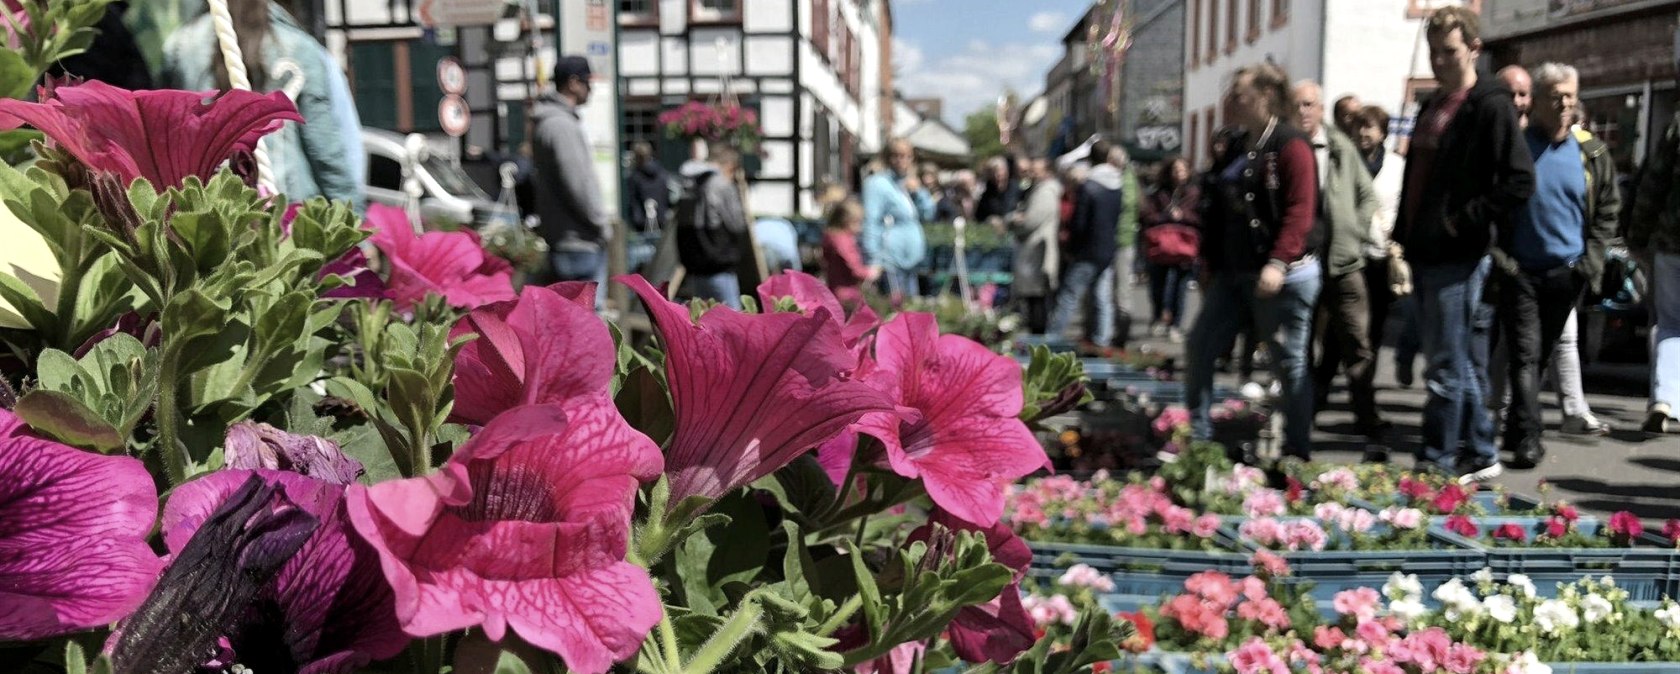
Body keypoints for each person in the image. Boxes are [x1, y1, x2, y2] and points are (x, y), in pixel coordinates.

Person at [1392, 7, 1534, 482]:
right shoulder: (1433, 104)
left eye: (1449, 51)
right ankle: (1479, 449)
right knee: (1452, 360)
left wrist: (1461, 224)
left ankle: (1437, 461)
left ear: (1473, 48)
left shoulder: (1489, 103)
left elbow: (1517, 181)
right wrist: (1400, 234)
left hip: (1458, 253)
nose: (1439, 60)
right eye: (1433, 52)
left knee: (1446, 365)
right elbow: (1417, 177)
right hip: (1426, 250)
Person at [1184, 63, 1323, 461]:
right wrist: (1209, 262)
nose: (1231, 101)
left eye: (1239, 93)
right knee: (1200, 346)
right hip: (1233, 272)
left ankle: (1297, 451)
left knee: (1288, 363)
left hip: (1282, 275)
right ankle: (1199, 437)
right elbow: (1215, 206)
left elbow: (1300, 210)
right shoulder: (1236, 143)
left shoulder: (1291, 144)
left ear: (1264, 96)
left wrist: (1278, 262)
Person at [1484, 63, 1619, 469]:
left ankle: (1514, 425)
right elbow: (1492, 206)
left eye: (1570, 96)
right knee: (1525, 354)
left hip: (1568, 273)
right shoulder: (1516, 148)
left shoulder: (1591, 153)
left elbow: (1608, 209)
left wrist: (1589, 262)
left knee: (1540, 355)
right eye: (1555, 96)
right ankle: (1528, 437)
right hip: (1520, 271)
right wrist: (1503, 262)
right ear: (1537, 101)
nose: (1564, 104)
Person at [162, 0, 364, 210]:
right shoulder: (299, 48)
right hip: (286, 208)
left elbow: (170, 133)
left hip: (211, 209)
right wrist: (354, 217)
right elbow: (324, 149)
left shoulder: (181, 46)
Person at [1297, 81, 1386, 441]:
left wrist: (1355, 229)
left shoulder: (1340, 147)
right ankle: (1300, 414)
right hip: (1300, 262)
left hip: (1343, 261)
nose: (1303, 111)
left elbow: (1367, 195)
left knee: (1357, 343)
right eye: (1297, 105)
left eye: (1309, 105)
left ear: (1320, 109)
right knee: (1300, 343)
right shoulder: (1286, 145)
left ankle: (1367, 418)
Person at [532, 56, 612, 292]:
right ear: (573, 83)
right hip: (579, 240)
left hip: (564, 237)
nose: (591, 88)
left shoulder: (547, 122)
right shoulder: (562, 126)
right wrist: (600, 223)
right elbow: (577, 182)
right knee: (586, 321)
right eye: (588, 81)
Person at [1633, 62, 1680, 434]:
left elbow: (1654, 182)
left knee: (1670, 324)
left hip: (1670, 242)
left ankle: (1664, 398)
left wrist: (1637, 235)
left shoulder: (1678, 124)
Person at [1356, 106, 1416, 390]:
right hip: (1353, 254)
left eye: (1369, 127)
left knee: (1376, 324)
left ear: (1382, 133)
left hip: (1383, 253)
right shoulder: (1349, 163)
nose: (1363, 132)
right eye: (1360, 126)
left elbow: (1405, 203)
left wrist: (1399, 232)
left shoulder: (1396, 166)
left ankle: (1365, 382)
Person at [1049, 141, 1128, 352]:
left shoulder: (1089, 185)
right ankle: (1102, 340)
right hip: (1107, 247)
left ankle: (1052, 339)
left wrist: (1071, 247)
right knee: (1102, 297)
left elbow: (1080, 222)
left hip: (1087, 249)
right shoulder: (1118, 184)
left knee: (1069, 295)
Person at [675, 143, 748, 308]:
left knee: (701, 320)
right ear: (730, 166)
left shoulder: (691, 181)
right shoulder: (721, 185)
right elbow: (737, 224)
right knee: (732, 320)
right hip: (719, 265)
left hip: (694, 267)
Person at [861, 138, 935, 302]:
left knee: (911, 310)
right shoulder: (877, 184)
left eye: (906, 156)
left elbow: (928, 214)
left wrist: (919, 193)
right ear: (887, 158)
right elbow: (871, 221)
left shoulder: (910, 183)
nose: (901, 160)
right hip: (889, 260)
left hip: (912, 259)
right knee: (894, 308)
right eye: (896, 155)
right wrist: (873, 258)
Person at [1140, 156, 1200, 341]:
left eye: (1182, 170)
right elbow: (1148, 215)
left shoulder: (1194, 193)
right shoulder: (1159, 193)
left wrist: (1183, 216)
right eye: (1176, 170)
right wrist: (1166, 215)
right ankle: (1158, 316)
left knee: (1180, 287)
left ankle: (1175, 323)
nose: (1179, 174)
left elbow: (1200, 217)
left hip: (1184, 247)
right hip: (1161, 247)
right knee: (1157, 285)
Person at [1095, 146, 1142, 346]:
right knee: (1103, 289)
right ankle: (1104, 332)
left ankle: (1121, 333)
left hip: (1123, 239)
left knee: (1122, 290)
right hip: (1108, 238)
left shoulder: (1127, 179)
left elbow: (1127, 202)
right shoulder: (1112, 177)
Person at [1011, 158, 1063, 334]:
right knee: (1034, 297)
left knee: (1037, 297)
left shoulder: (1046, 192)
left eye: (1036, 170)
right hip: (1034, 250)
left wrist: (1012, 221)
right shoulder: (1038, 189)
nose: (1031, 173)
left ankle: (1039, 336)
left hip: (1037, 250)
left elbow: (1030, 221)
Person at [822, 199, 874, 309]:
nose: (860, 228)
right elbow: (854, 266)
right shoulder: (842, 241)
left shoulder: (830, 236)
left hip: (834, 288)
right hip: (847, 292)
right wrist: (869, 273)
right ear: (845, 221)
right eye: (857, 222)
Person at [627, 141, 672, 233]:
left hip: (641, 224)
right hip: (661, 220)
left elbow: (632, 201)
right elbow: (667, 196)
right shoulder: (662, 174)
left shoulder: (635, 177)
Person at [976, 156, 1021, 224]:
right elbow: (980, 217)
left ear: (1007, 171)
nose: (997, 174)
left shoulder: (1017, 188)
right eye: (993, 172)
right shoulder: (987, 194)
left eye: (1000, 170)